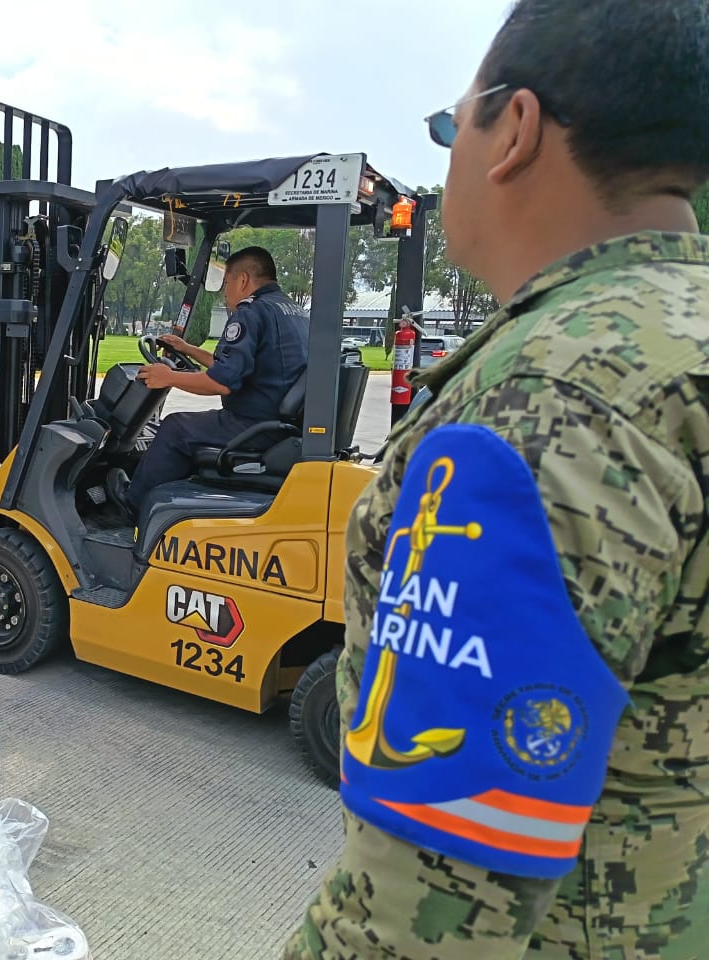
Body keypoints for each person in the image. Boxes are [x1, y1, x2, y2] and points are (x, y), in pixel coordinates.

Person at [283, 1, 709, 957]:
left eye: (450, 127)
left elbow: (420, 922)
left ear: (513, 130)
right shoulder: (680, 341)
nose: (448, 159)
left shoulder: (545, 402)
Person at [107, 246, 308, 516]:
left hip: (255, 425)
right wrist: (188, 349)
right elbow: (235, 367)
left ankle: (132, 505)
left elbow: (221, 383)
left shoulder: (251, 312)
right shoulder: (292, 311)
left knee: (176, 427)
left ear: (243, 280)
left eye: (226, 283)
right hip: (281, 423)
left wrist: (169, 377)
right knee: (188, 427)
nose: (224, 292)